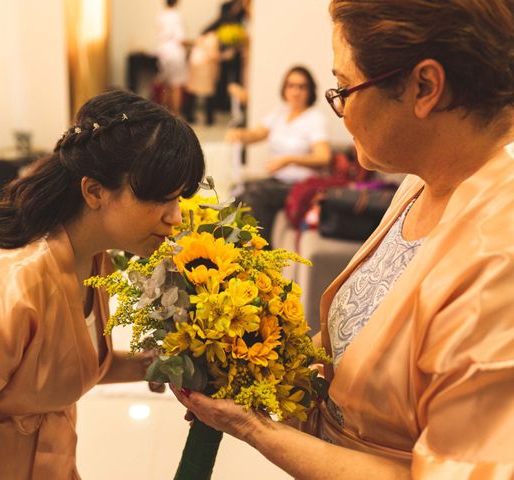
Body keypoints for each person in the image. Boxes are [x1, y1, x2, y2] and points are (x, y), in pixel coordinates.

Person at [172, 0, 514, 478]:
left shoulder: (499, 263)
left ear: (425, 87)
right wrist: (257, 363)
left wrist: (254, 428)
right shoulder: (421, 183)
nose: (340, 109)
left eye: (345, 87)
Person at [0, 90, 205, 479]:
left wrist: (165, 363)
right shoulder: (3, 286)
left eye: (179, 198)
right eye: (161, 200)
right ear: (94, 191)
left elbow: (63, 368)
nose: (176, 218)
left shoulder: (91, 258)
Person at [227, 65, 331, 243]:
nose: (296, 91)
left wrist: (289, 160)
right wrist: (241, 135)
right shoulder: (280, 112)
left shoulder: (314, 119)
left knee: (257, 195)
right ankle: (230, 251)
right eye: (291, 86)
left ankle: (261, 254)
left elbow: (324, 158)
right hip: (277, 181)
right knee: (239, 195)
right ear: (285, 89)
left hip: (299, 186)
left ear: (309, 91)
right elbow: (258, 134)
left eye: (301, 86)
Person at [156, 0, 187, 115]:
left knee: (166, 84)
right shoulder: (176, 16)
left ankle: (164, 113)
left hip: (163, 52)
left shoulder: (161, 15)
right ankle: (176, 114)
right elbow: (180, 38)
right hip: (175, 52)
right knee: (176, 85)